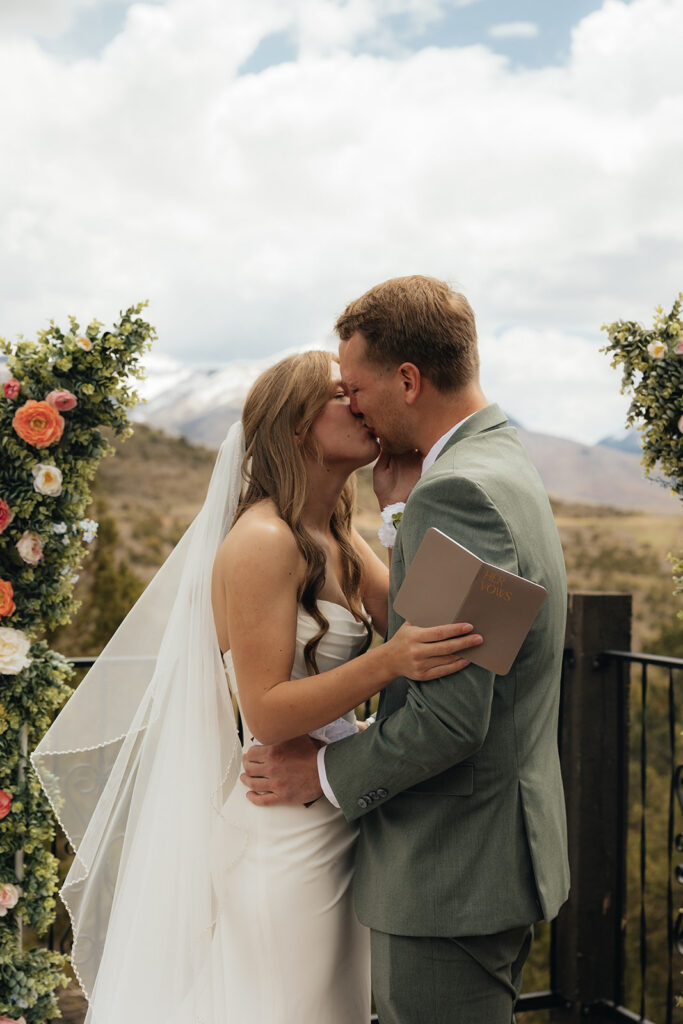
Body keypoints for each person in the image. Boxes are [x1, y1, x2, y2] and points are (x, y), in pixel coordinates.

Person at [31, 347, 480, 1024]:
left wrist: (398, 512)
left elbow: (419, 619)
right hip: (284, 834)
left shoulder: (334, 534)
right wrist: (387, 666)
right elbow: (268, 713)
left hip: (335, 808)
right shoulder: (263, 540)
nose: (360, 402)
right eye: (341, 394)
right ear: (297, 425)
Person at [242, 276, 571, 1024]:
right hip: (489, 852)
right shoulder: (500, 464)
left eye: (355, 388)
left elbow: (452, 717)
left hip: (447, 868)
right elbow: (469, 643)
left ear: (408, 380)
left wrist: (321, 770)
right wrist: (397, 514)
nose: (353, 404)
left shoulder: (454, 493)